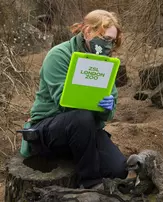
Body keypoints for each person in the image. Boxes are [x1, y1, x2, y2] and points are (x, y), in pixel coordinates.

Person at [22, 9, 128, 189]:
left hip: (86, 129)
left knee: (119, 169)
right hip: (49, 126)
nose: (108, 46)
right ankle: (90, 184)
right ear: (88, 32)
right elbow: (62, 101)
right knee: (81, 116)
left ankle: (79, 155)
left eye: (112, 41)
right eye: (105, 39)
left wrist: (106, 107)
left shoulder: (104, 62)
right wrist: (93, 102)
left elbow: (109, 113)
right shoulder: (59, 55)